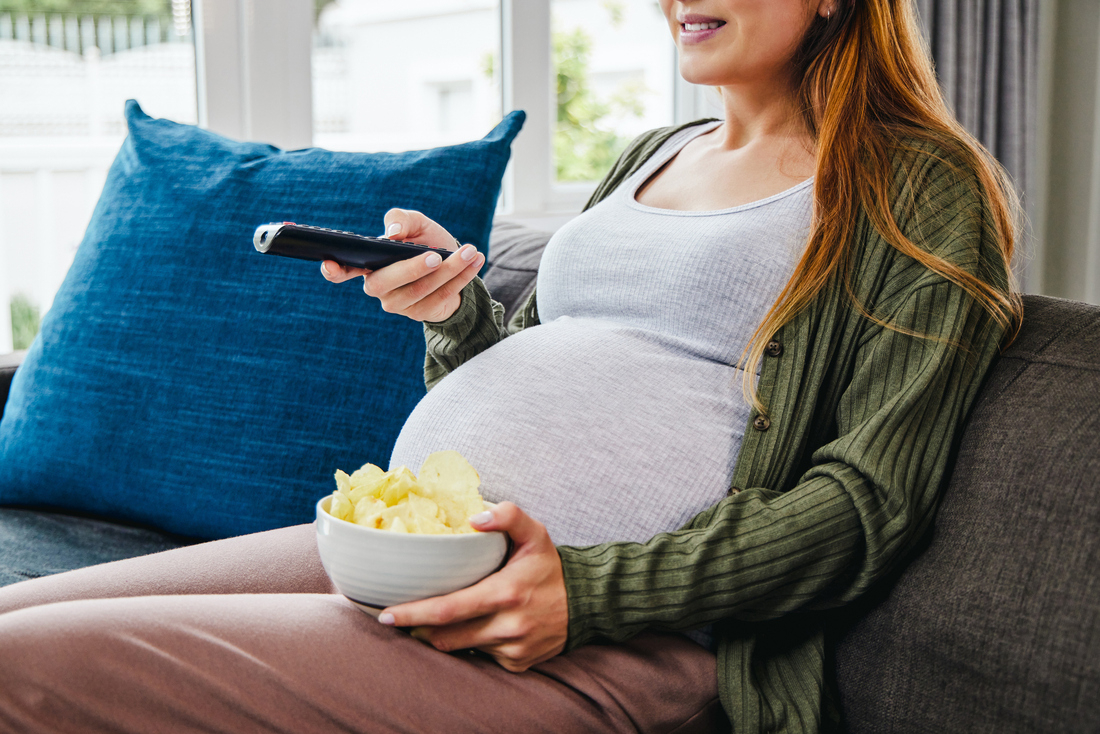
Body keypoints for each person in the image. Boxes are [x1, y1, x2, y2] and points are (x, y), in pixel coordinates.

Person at [0, 0, 1022, 732]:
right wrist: (451, 313)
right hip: (421, 554)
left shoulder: (917, 182)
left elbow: (865, 501)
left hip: (604, 634)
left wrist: (585, 590)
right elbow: (530, 365)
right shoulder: (655, 150)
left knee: (21, 667)